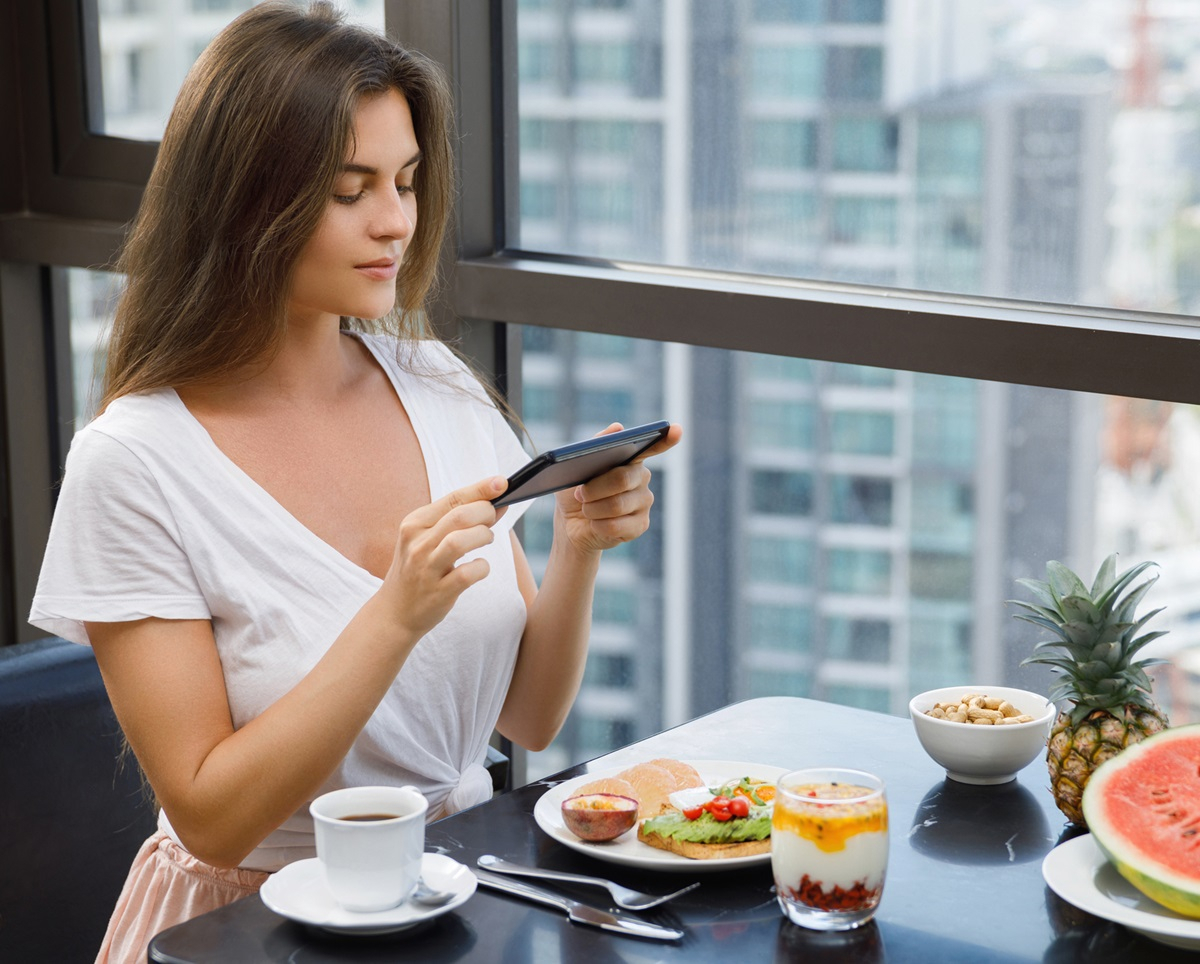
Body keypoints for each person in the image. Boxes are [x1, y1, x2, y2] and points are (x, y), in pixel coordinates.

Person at [28, 3, 681, 962]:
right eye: (350, 189)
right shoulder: (133, 462)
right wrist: (394, 613)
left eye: (407, 181)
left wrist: (579, 543)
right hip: (245, 929)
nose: (395, 221)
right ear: (248, 201)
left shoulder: (439, 385)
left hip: (458, 894)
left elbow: (527, 717)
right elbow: (213, 818)